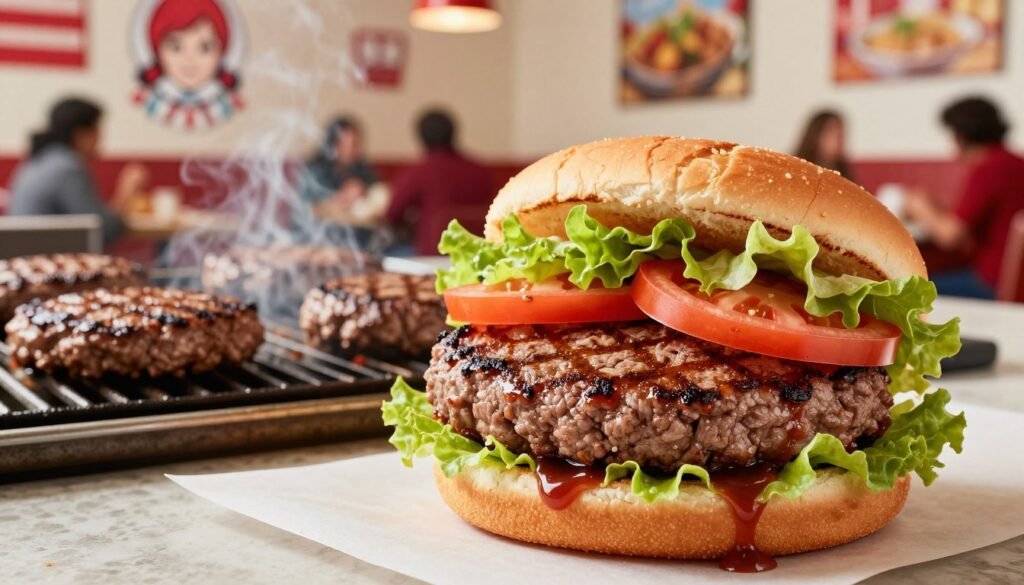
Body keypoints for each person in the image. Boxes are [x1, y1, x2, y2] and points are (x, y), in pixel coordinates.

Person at [904, 97, 1024, 299]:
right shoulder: (1016, 163)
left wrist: (919, 208)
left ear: (960, 136)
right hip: (1016, 284)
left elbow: (951, 236)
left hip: (992, 282)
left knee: (910, 288)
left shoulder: (987, 169)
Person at [8, 98, 145, 246]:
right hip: (46, 262)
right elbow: (103, 232)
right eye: (97, 131)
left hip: (25, 259)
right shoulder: (66, 168)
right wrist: (126, 192)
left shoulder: (40, 159)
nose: (101, 140)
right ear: (81, 135)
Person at [386, 109, 493, 255]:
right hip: (477, 254)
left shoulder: (420, 171)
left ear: (421, 138)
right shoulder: (481, 171)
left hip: (431, 256)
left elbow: (392, 214)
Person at [299, 116, 378, 220]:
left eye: (354, 144)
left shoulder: (361, 169)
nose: (350, 150)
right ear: (331, 144)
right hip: (317, 230)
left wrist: (364, 192)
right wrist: (343, 197)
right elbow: (306, 209)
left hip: (352, 229)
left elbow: (377, 193)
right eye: (343, 144)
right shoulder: (315, 171)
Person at [794, 110, 855, 181]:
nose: (839, 139)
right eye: (832, 133)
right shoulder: (796, 169)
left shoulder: (844, 172)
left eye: (840, 134)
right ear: (816, 135)